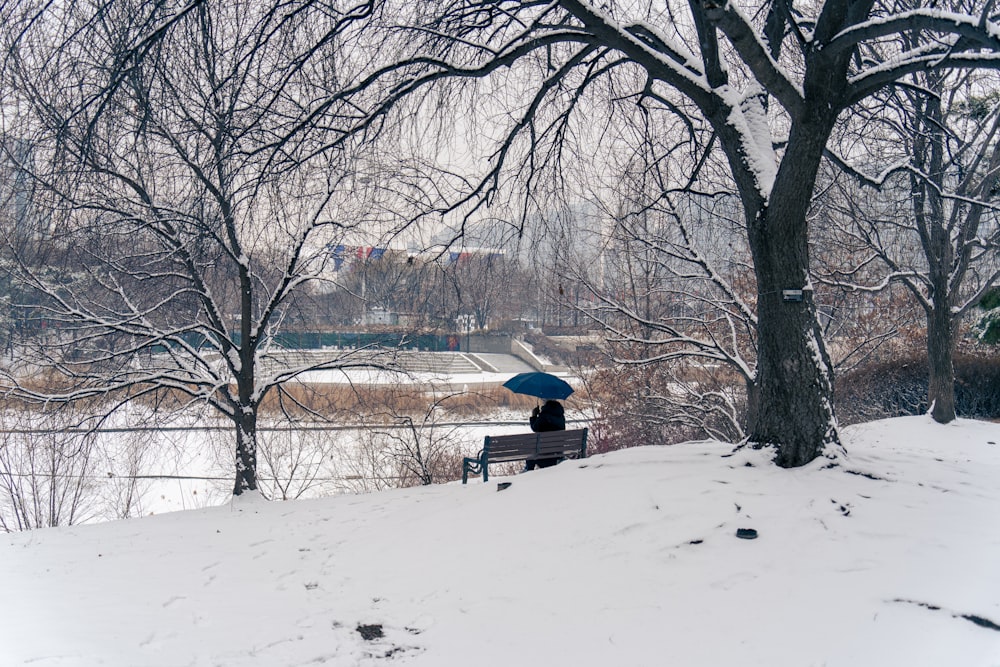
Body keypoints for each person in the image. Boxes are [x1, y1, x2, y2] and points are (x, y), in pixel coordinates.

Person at [525, 399, 565, 471]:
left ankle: (527, 475)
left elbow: (535, 428)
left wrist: (534, 416)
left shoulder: (544, 416)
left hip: (544, 455)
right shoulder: (561, 416)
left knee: (530, 459)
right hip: (557, 454)